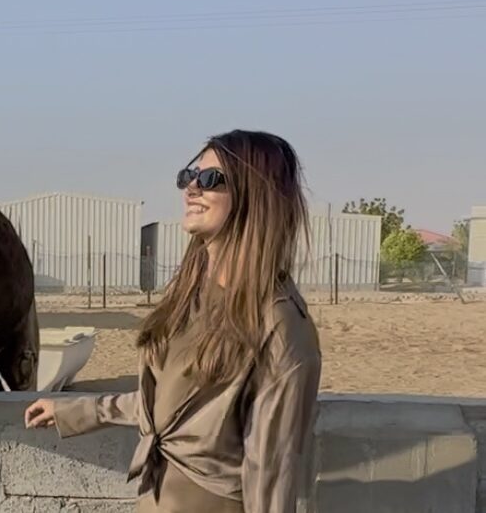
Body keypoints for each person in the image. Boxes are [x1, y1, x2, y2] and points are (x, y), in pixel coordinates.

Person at [24, 129, 322, 513]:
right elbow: (163, 404)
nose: (191, 189)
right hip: (156, 497)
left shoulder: (278, 321)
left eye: (211, 179)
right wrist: (76, 410)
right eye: (189, 176)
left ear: (255, 197)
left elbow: (271, 468)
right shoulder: (191, 296)